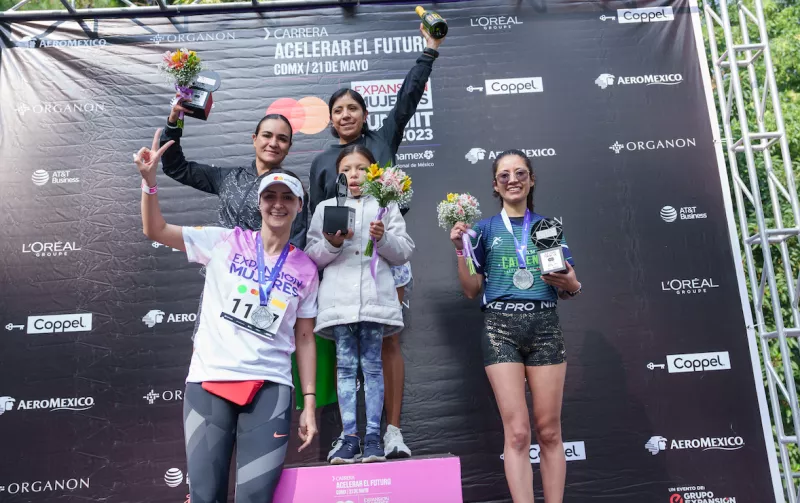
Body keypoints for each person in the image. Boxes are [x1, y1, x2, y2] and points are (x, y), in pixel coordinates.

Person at [135, 129, 318, 503]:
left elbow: (304, 338)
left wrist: (309, 403)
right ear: (259, 201)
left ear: (300, 206)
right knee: (205, 497)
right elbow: (155, 229)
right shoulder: (223, 240)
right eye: (270, 196)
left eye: (288, 197)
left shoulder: (306, 268)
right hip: (209, 382)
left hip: (270, 387)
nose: (278, 204)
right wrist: (150, 184)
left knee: (255, 498)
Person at [309, 22, 445, 460]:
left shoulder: (383, 141)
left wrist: (428, 53)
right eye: (338, 110)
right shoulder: (320, 161)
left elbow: (407, 100)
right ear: (330, 120)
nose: (346, 114)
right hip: (340, 262)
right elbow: (312, 218)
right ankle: (350, 433)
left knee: (387, 340)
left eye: (353, 108)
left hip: (388, 252)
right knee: (344, 343)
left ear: (364, 115)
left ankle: (390, 431)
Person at [449, 150, 582, 503]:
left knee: (550, 432)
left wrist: (571, 284)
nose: (513, 179)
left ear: (531, 180)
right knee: (519, 433)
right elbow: (470, 289)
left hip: (544, 328)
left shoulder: (545, 228)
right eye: (504, 175)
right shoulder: (483, 229)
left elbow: (568, 285)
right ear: (495, 185)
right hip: (500, 328)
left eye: (520, 173)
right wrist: (460, 251)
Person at [305, 145, 415, 464]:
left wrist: (382, 238)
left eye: (362, 168)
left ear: (374, 173)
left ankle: (373, 438)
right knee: (345, 368)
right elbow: (313, 256)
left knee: (373, 366)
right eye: (347, 169)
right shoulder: (326, 206)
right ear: (339, 174)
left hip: (374, 302)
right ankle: (350, 436)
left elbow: (404, 252)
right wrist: (333, 242)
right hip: (339, 303)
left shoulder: (385, 205)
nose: (354, 175)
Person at [160, 105, 308, 246]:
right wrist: (175, 122)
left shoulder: (292, 188)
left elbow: (295, 244)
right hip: (221, 266)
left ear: (289, 147)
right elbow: (176, 167)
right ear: (254, 140)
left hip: (265, 270)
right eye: (267, 136)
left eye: (282, 139)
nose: (273, 143)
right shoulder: (228, 177)